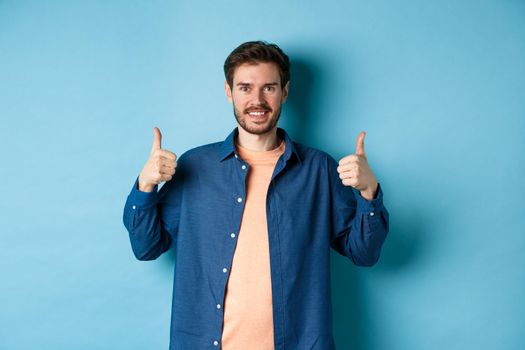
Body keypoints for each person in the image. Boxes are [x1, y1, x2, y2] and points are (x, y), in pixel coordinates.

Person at [123, 41, 389, 350]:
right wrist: (146, 185)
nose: (257, 100)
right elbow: (145, 247)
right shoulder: (195, 167)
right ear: (229, 92)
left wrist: (369, 193)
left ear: (285, 92)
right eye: (245, 88)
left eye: (269, 88)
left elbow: (364, 253)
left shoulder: (319, 170)